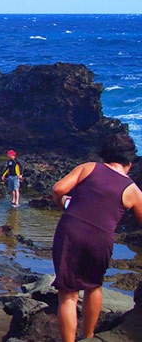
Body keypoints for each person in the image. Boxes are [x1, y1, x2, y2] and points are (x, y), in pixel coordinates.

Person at [50, 133, 142, 342]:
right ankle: (89, 336)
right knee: (94, 286)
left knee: (68, 295)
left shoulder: (89, 168)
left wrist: (64, 202)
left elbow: (57, 189)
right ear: (129, 163)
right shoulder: (132, 190)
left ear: (105, 156)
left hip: (70, 231)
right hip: (100, 240)